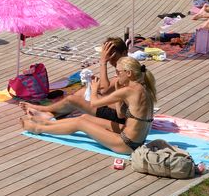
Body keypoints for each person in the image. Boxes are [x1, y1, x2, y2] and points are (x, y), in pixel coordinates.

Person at [20, 56, 156, 154]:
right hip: (135, 139)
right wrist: (119, 97)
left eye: (118, 72)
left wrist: (94, 88)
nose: (116, 75)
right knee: (84, 118)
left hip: (126, 144)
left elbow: (94, 103)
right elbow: (120, 114)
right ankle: (45, 123)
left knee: (80, 124)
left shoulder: (128, 91)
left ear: (129, 73)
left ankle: (39, 128)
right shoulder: (144, 88)